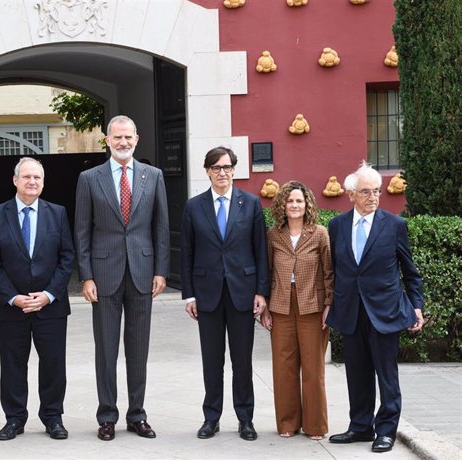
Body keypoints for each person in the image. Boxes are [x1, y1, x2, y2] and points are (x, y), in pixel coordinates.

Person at [74, 115, 169, 441]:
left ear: (137, 139)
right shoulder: (89, 178)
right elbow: (82, 230)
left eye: (128, 137)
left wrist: (161, 270)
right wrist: (85, 276)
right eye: (117, 138)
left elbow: (161, 227)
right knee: (106, 349)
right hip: (103, 275)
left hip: (142, 273)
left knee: (138, 348)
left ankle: (137, 415)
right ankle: (107, 417)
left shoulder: (153, 176)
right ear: (107, 140)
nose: (123, 142)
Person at [326, 161, 424, 453]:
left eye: (377, 192)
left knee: (387, 375)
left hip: (386, 311)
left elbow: (410, 270)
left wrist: (416, 305)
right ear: (351, 194)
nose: (373, 198)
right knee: (356, 373)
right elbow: (336, 269)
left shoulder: (394, 225)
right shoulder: (337, 225)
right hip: (351, 312)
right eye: (366, 192)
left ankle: (386, 430)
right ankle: (360, 427)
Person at [180, 146, 269, 441]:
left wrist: (261, 292)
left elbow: (260, 251)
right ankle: (211, 418)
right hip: (207, 295)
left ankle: (245, 419)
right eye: (217, 168)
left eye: (228, 167)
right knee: (212, 361)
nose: (223, 173)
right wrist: (189, 295)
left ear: (234, 170)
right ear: (207, 171)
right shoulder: (194, 206)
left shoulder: (251, 203)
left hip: (243, 293)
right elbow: (187, 253)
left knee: (242, 361)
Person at [0, 157, 75, 441]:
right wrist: (13, 297)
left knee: (53, 365)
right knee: (12, 365)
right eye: (26, 177)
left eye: (37, 177)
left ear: (43, 182)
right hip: (12, 307)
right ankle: (14, 419)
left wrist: (48, 295)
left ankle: (53, 417)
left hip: (51, 306)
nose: (32, 182)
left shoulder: (57, 213)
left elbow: (66, 257)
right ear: (15, 180)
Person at [261, 181, 333, 440]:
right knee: (284, 368)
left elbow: (329, 273)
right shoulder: (272, 235)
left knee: (314, 369)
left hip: (313, 306)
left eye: (299, 201)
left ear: (307, 205)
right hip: (280, 306)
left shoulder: (320, 234)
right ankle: (288, 422)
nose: (294, 205)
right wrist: (265, 308)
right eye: (290, 201)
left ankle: (315, 425)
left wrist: (329, 307)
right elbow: (266, 273)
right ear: (282, 204)